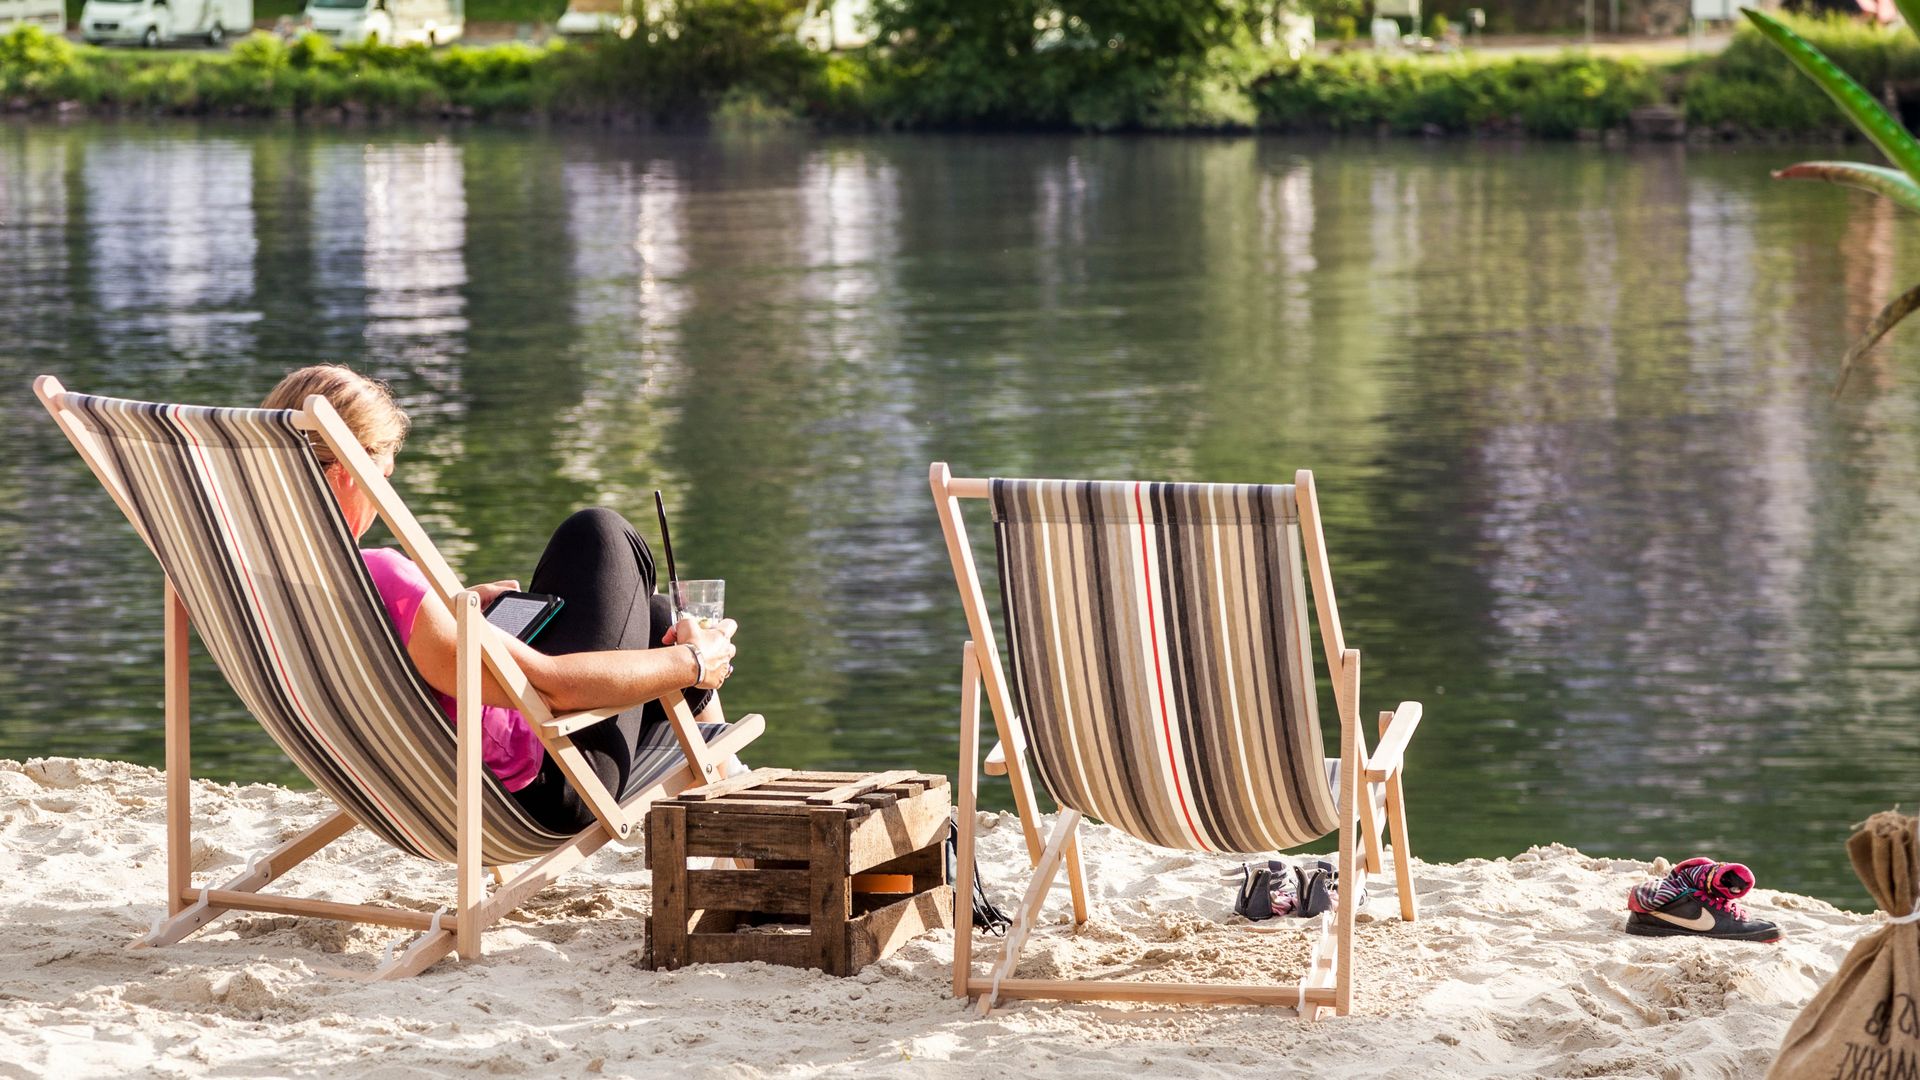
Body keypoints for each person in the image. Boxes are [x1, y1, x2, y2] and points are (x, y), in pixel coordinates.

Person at [261, 364, 740, 835]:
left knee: (657, 619)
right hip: (545, 787)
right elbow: (554, 688)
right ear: (350, 471)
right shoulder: (381, 576)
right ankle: (732, 798)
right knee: (599, 533)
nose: (384, 494)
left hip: (408, 789)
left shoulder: (258, 574)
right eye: (382, 478)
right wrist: (697, 662)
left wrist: (445, 611)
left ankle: (730, 790)